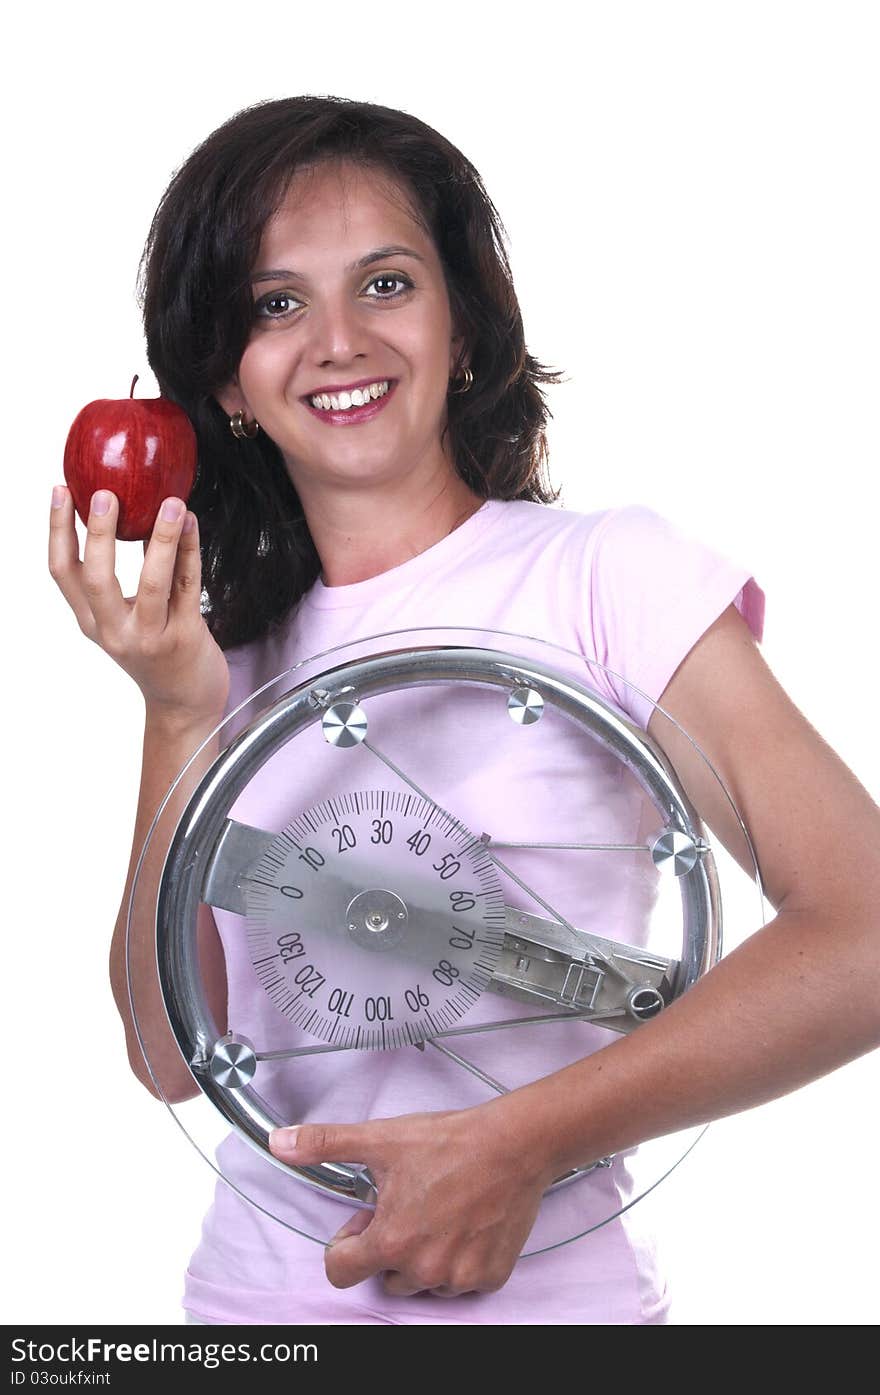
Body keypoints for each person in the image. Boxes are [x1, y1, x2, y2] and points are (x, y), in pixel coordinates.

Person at [48, 95, 880, 1326]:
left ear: (464, 327)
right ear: (225, 382)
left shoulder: (607, 579)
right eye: (277, 305)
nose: (335, 340)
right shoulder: (226, 655)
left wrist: (523, 1141)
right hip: (249, 1322)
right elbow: (171, 1060)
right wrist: (178, 713)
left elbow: (862, 936)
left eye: (385, 284)